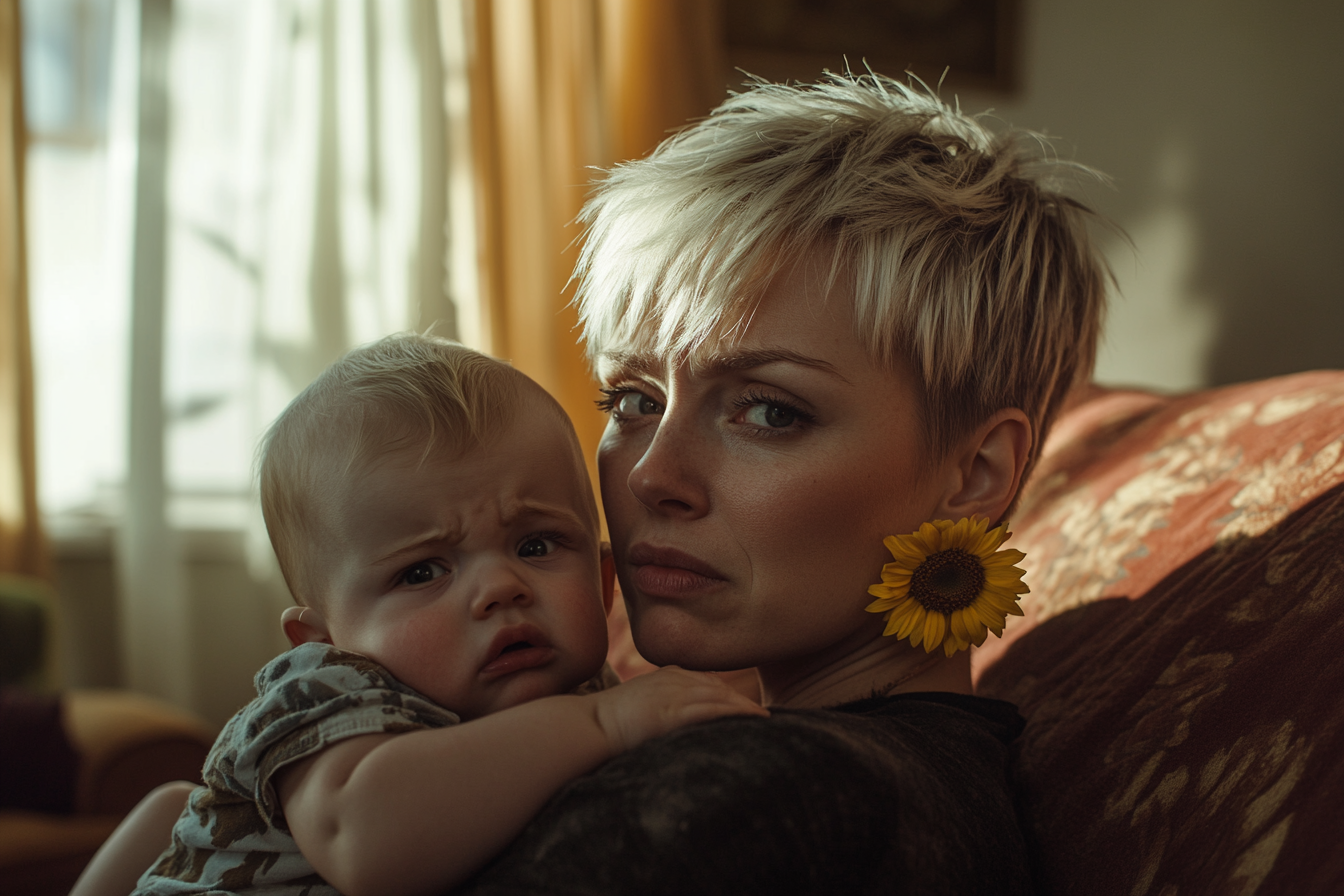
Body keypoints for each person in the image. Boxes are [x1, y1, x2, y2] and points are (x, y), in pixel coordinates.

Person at [450, 72, 1109, 895]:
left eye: (768, 412)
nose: (653, 475)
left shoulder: (754, 801)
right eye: (633, 399)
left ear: (975, 474)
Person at [76, 335, 764, 896]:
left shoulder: (585, 691)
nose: (500, 587)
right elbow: (365, 845)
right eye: (422, 571)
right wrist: (603, 725)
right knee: (176, 807)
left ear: (605, 580)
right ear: (321, 639)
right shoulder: (331, 696)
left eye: (536, 545)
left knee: (177, 804)